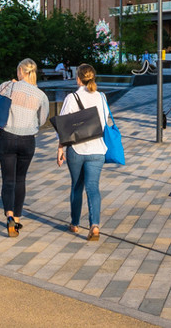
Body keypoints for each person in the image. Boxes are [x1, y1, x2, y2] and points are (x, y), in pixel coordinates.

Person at [0, 58, 50, 236]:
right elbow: (42, 120)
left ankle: (9, 217)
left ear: (21, 71)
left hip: (8, 137)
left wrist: (4, 87)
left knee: (8, 180)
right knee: (21, 179)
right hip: (28, 141)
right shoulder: (41, 95)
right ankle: (18, 219)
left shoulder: (10, 86)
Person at [55, 63, 111, 242]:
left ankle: (75, 223)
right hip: (98, 149)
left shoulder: (72, 98)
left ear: (78, 78)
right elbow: (105, 120)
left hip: (77, 150)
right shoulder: (102, 97)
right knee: (93, 187)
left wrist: (60, 148)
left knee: (77, 186)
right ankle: (94, 225)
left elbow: (62, 127)